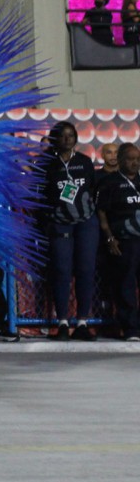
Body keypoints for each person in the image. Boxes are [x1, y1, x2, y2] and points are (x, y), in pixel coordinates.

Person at [43, 121, 100, 341]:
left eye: (71, 135)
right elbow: (42, 197)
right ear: (55, 138)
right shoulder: (48, 165)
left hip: (86, 222)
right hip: (60, 224)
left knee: (85, 270)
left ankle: (83, 322)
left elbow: (94, 190)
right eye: (63, 136)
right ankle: (63, 323)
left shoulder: (84, 162)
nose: (67, 139)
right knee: (61, 271)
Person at [98, 143, 140, 341]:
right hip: (124, 241)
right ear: (121, 160)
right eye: (131, 159)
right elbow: (102, 212)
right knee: (126, 286)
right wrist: (109, 237)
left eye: (138, 159)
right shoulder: (110, 182)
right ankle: (130, 328)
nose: (135, 163)